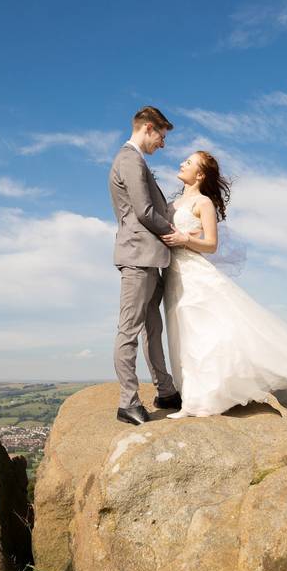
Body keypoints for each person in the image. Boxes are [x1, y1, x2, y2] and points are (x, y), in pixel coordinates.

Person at [160, 151, 287, 418]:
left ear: (200, 174)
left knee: (201, 333)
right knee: (181, 333)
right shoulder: (174, 203)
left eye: (188, 162)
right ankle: (194, 394)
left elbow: (211, 245)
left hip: (194, 273)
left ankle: (199, 402)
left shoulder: (203, 204)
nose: (182, 163)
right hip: (173, 275)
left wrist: (183, 239)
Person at [108, 106, 183, 425]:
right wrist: (176, 234)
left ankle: (165, 390)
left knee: (154, 328)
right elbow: (144, 211)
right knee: (130, 330)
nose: (162, 145)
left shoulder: (136, 161)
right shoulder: (129, 158)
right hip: (138, 257)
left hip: (150, 259)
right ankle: (128, 402)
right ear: (149, 128)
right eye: (162, 137)